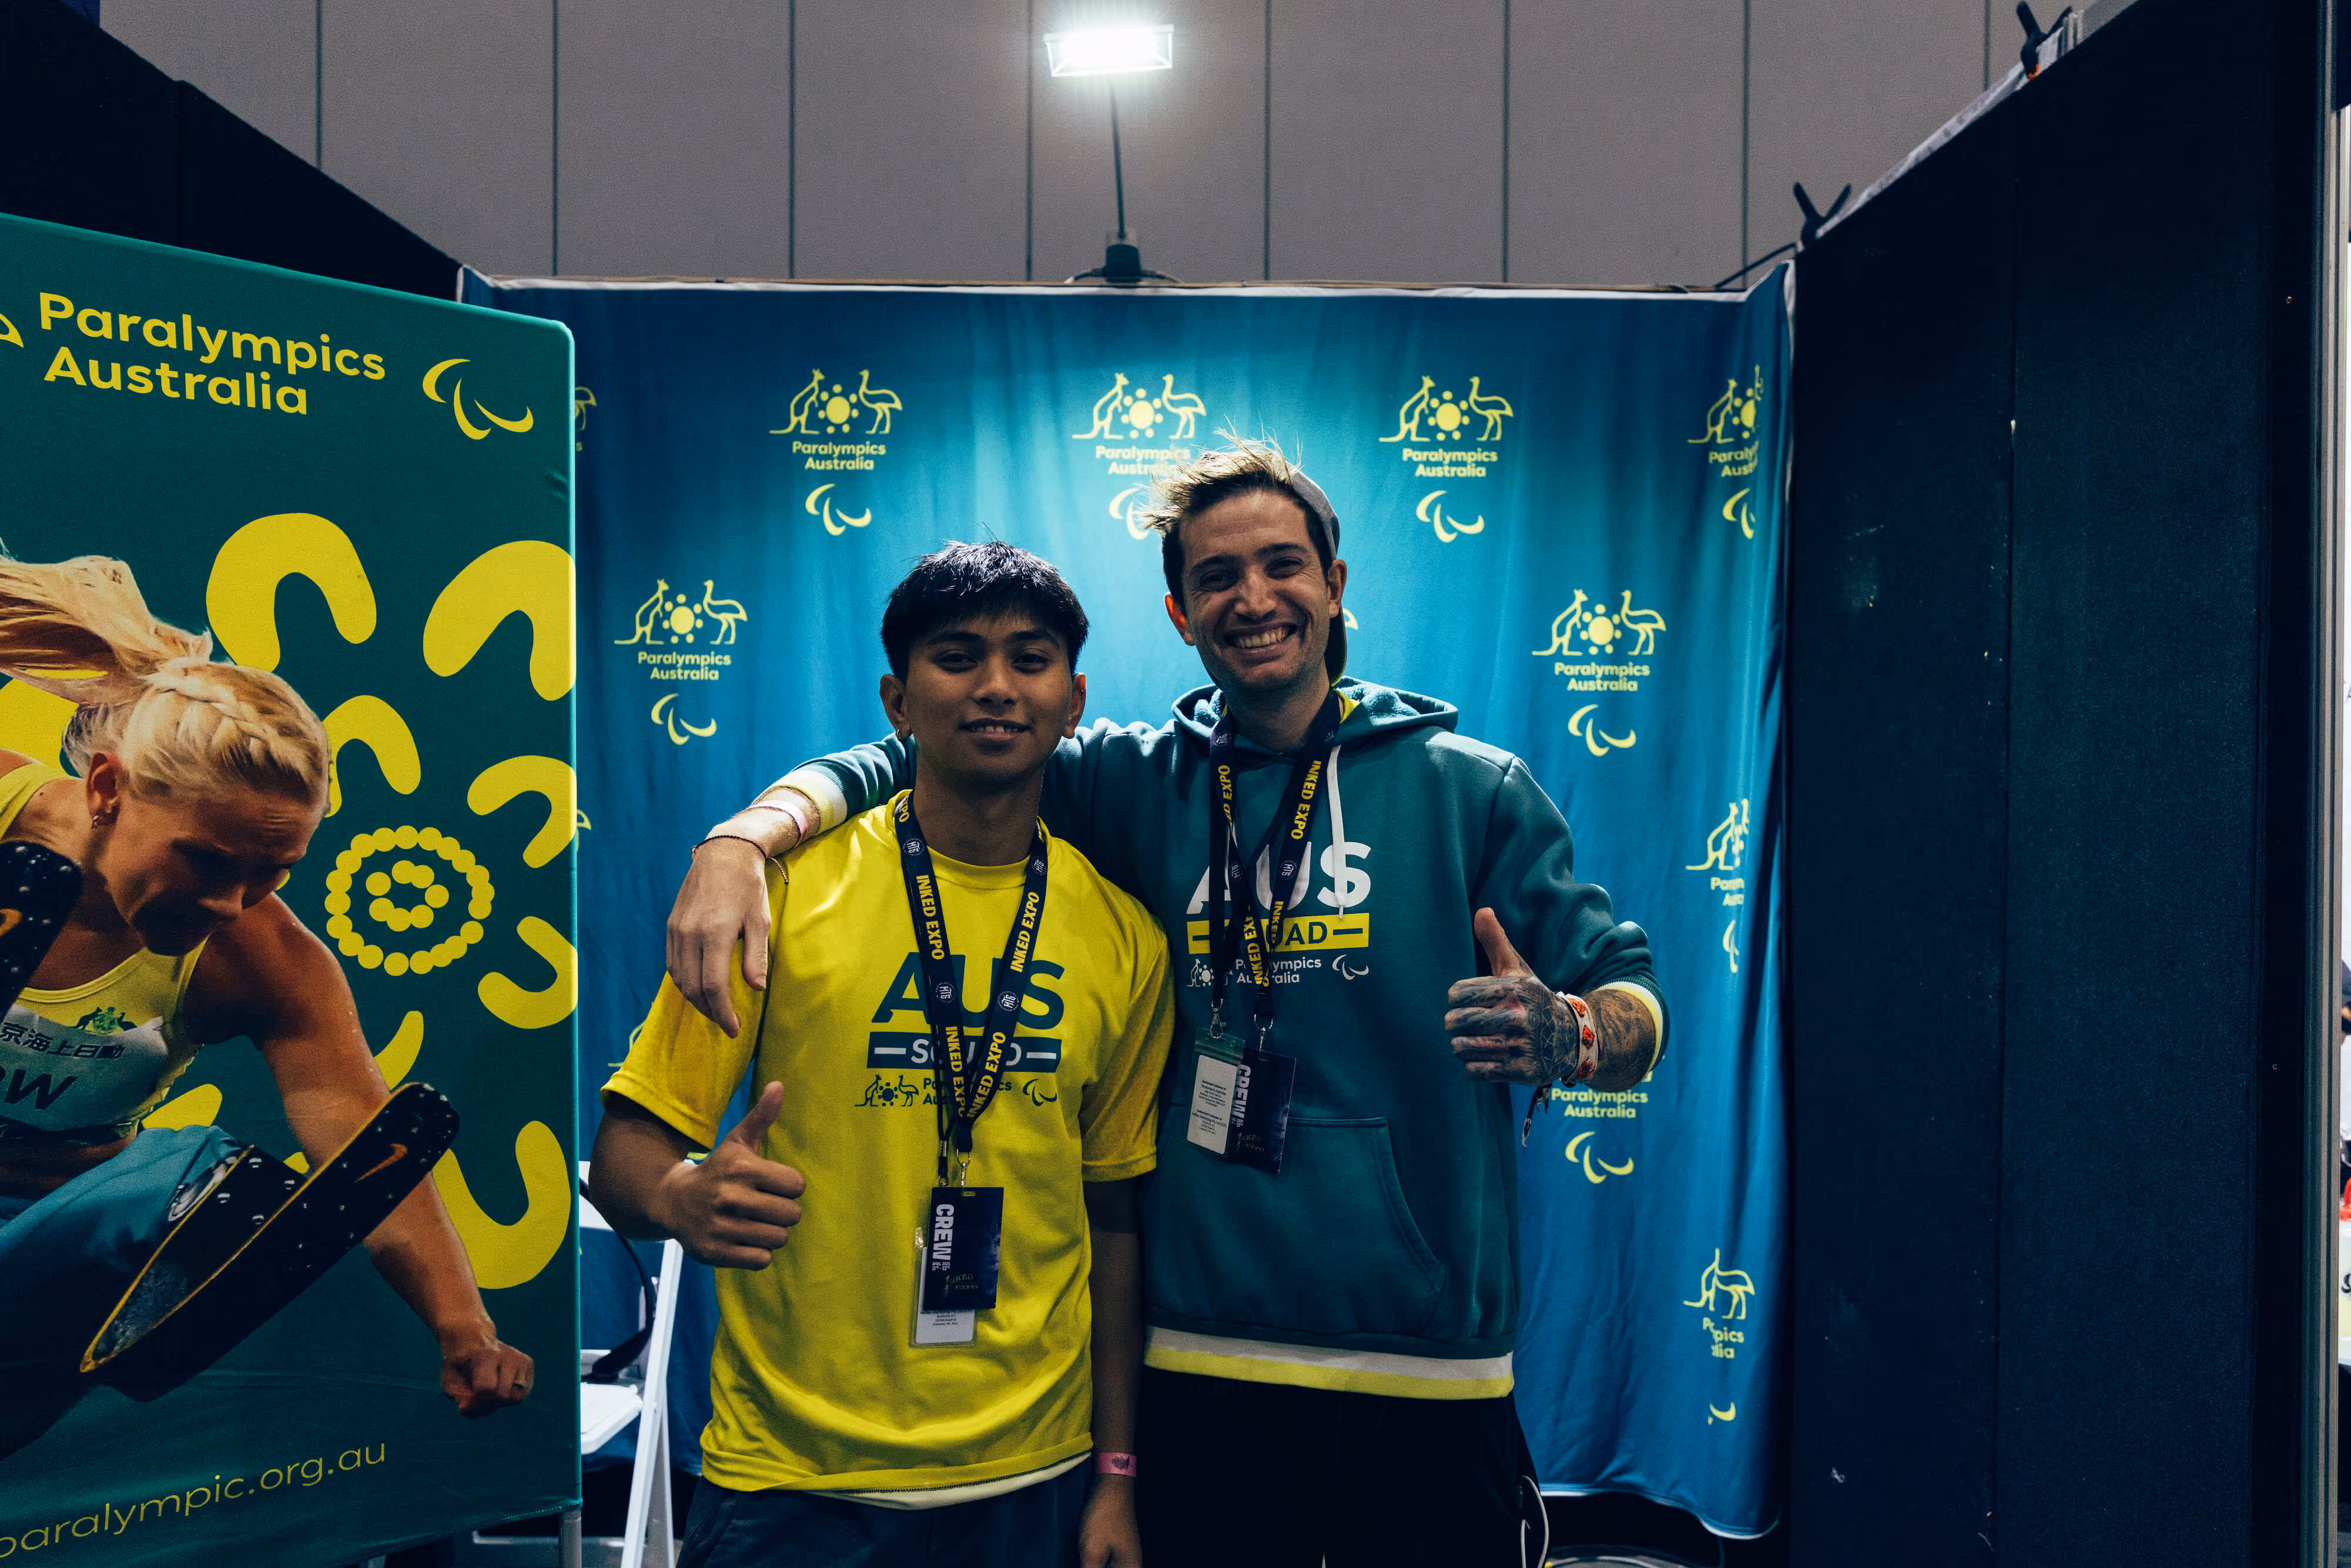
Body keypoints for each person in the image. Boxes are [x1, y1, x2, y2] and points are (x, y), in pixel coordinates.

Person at [664, 439, 1667, 1564]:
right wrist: (744, 838)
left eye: (1283, 566)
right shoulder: (1134, 779)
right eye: (1215, 579)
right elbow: (940, 746)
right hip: (1198, 1371)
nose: (1253, 599)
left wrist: (1571, 1031)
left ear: (1335, 588)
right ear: (1182, 615)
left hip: (1427, 1369)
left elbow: (1630, 1000)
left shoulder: (1466, 789)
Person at [590, 542, 1172, 1568]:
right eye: (959, 657)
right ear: (897, 701)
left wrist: (1114, 1477)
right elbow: (625, 1152)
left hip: (1033, 1476)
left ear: (1074, 700)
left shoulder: (1126, 938)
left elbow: (1114, 1221)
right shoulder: (774, 899)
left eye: (1029, 659)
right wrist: (681, 1198)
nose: (996, 686)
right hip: (793, 1482)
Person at [0, 555, 531, 1460]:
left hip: (53, 1251)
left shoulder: (266, 961)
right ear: (106, 789)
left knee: (198, 1178)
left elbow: (366, 1152)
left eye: (271, 870)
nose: (229, 902)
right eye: (207, 859)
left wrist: (463, 1326)